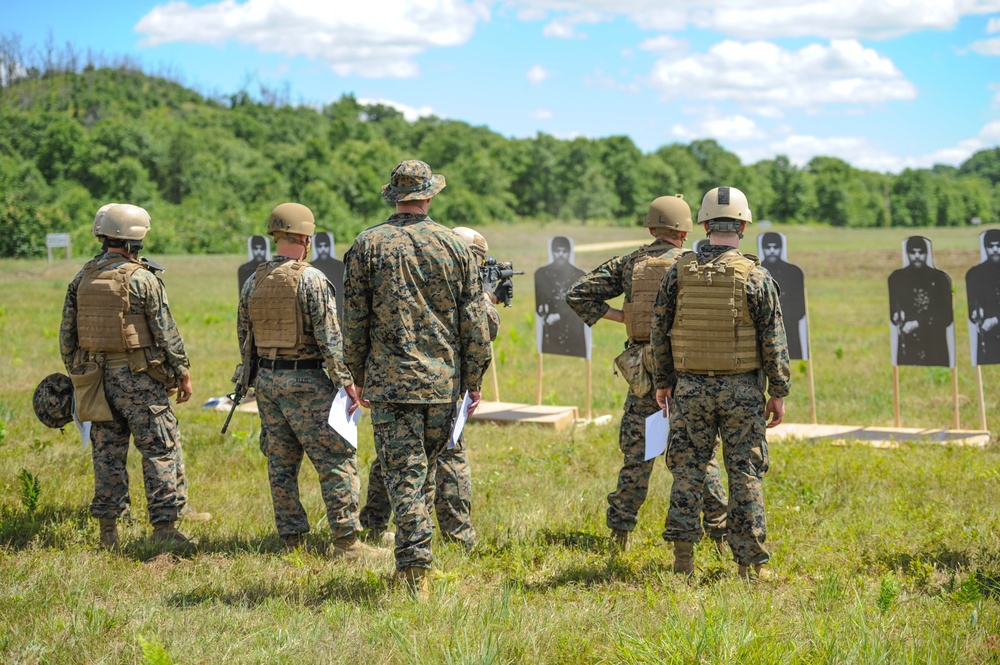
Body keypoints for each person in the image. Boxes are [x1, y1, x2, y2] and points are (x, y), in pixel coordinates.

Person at [344, 160, 492, 600]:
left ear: (395, 196)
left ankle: (413, 572)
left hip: (390, 385)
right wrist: (474, 378)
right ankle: (419, 560)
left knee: (405, 477)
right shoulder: (455, 246)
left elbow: (353, 321)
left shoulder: (368, 245)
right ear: (429, 196)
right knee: (422, 475)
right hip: (443, 384)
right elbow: (475, 323)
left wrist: (352, 376)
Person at [565, 195, 727, 554]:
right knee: (700, 456)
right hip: (689, 369)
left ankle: (619, 534)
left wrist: (623, 317)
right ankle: (718, 535)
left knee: (637, 455)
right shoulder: (695, 263)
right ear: (685, 230)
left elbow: (578, 294)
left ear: (651, 228)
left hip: (645, 372)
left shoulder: (630, 263)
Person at [651, 186, 790, 581]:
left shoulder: (679, 272)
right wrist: (778, 392)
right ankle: (749, 566)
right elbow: (773, 340)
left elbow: (660, 329)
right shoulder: (756, 276)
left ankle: (683, 562)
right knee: (745, 472)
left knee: (687, 470)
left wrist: (664, 381)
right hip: (742, 390)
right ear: (743, 226)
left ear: (706, 224)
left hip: (690, 388)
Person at [237, 202, 377, 557]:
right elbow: (331, 339)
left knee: (281, 464)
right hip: (307, 382)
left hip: (267, 383)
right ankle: (347, 542)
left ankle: (292, 539)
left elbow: (244, 336)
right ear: (305, 237)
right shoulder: (312, 279)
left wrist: (250, 378)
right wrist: (348, 384)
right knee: (336, 459)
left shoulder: (254, 280)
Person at [59, 203, 196, 551]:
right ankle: (165, 528)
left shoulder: (82, 277)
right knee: (159, 449)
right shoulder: (143, 279)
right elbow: (165, 332)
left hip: (98, 382)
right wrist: (182, 372)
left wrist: (82, 374)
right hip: (139, 380)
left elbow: (67, 338)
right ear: (136, 238)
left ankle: (109, 533)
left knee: (107, 453)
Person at [359, 225, 500, 553]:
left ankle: (375, 522)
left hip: (395, 382)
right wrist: (486, 297)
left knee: (393, 458)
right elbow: (483, 327)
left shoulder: (410, 266)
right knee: (450, 457)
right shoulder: (460, 277)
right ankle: (457, 538)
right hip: (441, 386)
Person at [888, 236, 953, 367]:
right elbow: (893, 307)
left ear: (926, 253)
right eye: (913, 252)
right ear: (907, 253)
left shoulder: (940, 279)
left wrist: (918, 322)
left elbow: (946, 316)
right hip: (908, 343)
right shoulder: (897, 278)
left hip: (934, 342)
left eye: (921, 252)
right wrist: (896, 316)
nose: (917, 256)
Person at [535, 237, 588, 357]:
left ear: (569, 253)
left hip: (573, 328)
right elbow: (539, 300)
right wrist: (541, 309)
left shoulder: (578, 274)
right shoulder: (542, 273)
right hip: (550, 329)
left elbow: (581, 303)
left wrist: (559, 315)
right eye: (557, 251)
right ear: (552, 252)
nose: (560, 254)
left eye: (564, 251)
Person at [759, 232, 807, 360]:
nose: (772, 251)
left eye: (775, 247)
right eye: (768, 247)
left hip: (790, 328)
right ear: (763, 249)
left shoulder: (794, 272)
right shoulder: (756, 271)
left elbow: (800, 305)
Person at [967, 229, 1000, 365]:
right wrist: (974, 312)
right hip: (987, 335)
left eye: (998, 245)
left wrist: (996, 319)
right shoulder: (975, 274)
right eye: (990, 246)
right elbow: (973, 300)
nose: (995, 249)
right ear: (985, 247)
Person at [311, 231, 346, 323]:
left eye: (325, 246)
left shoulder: (340, 266)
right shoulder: (309, 267)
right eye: (320, 246)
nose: (323, 249)